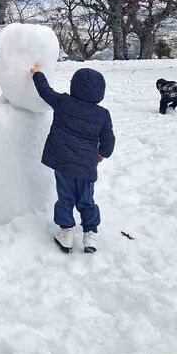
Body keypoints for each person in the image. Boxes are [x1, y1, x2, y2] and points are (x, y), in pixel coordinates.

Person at [30, 65, 115, 254]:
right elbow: (108, 140)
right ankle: (90, 233)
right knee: (86, 199)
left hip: (63, 162)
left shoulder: (63, 102)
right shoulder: (102, 115)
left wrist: (37, 74)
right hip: (86, 165)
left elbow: (45, 91)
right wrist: (102, 154)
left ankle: (66, 232)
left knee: (66, 197)